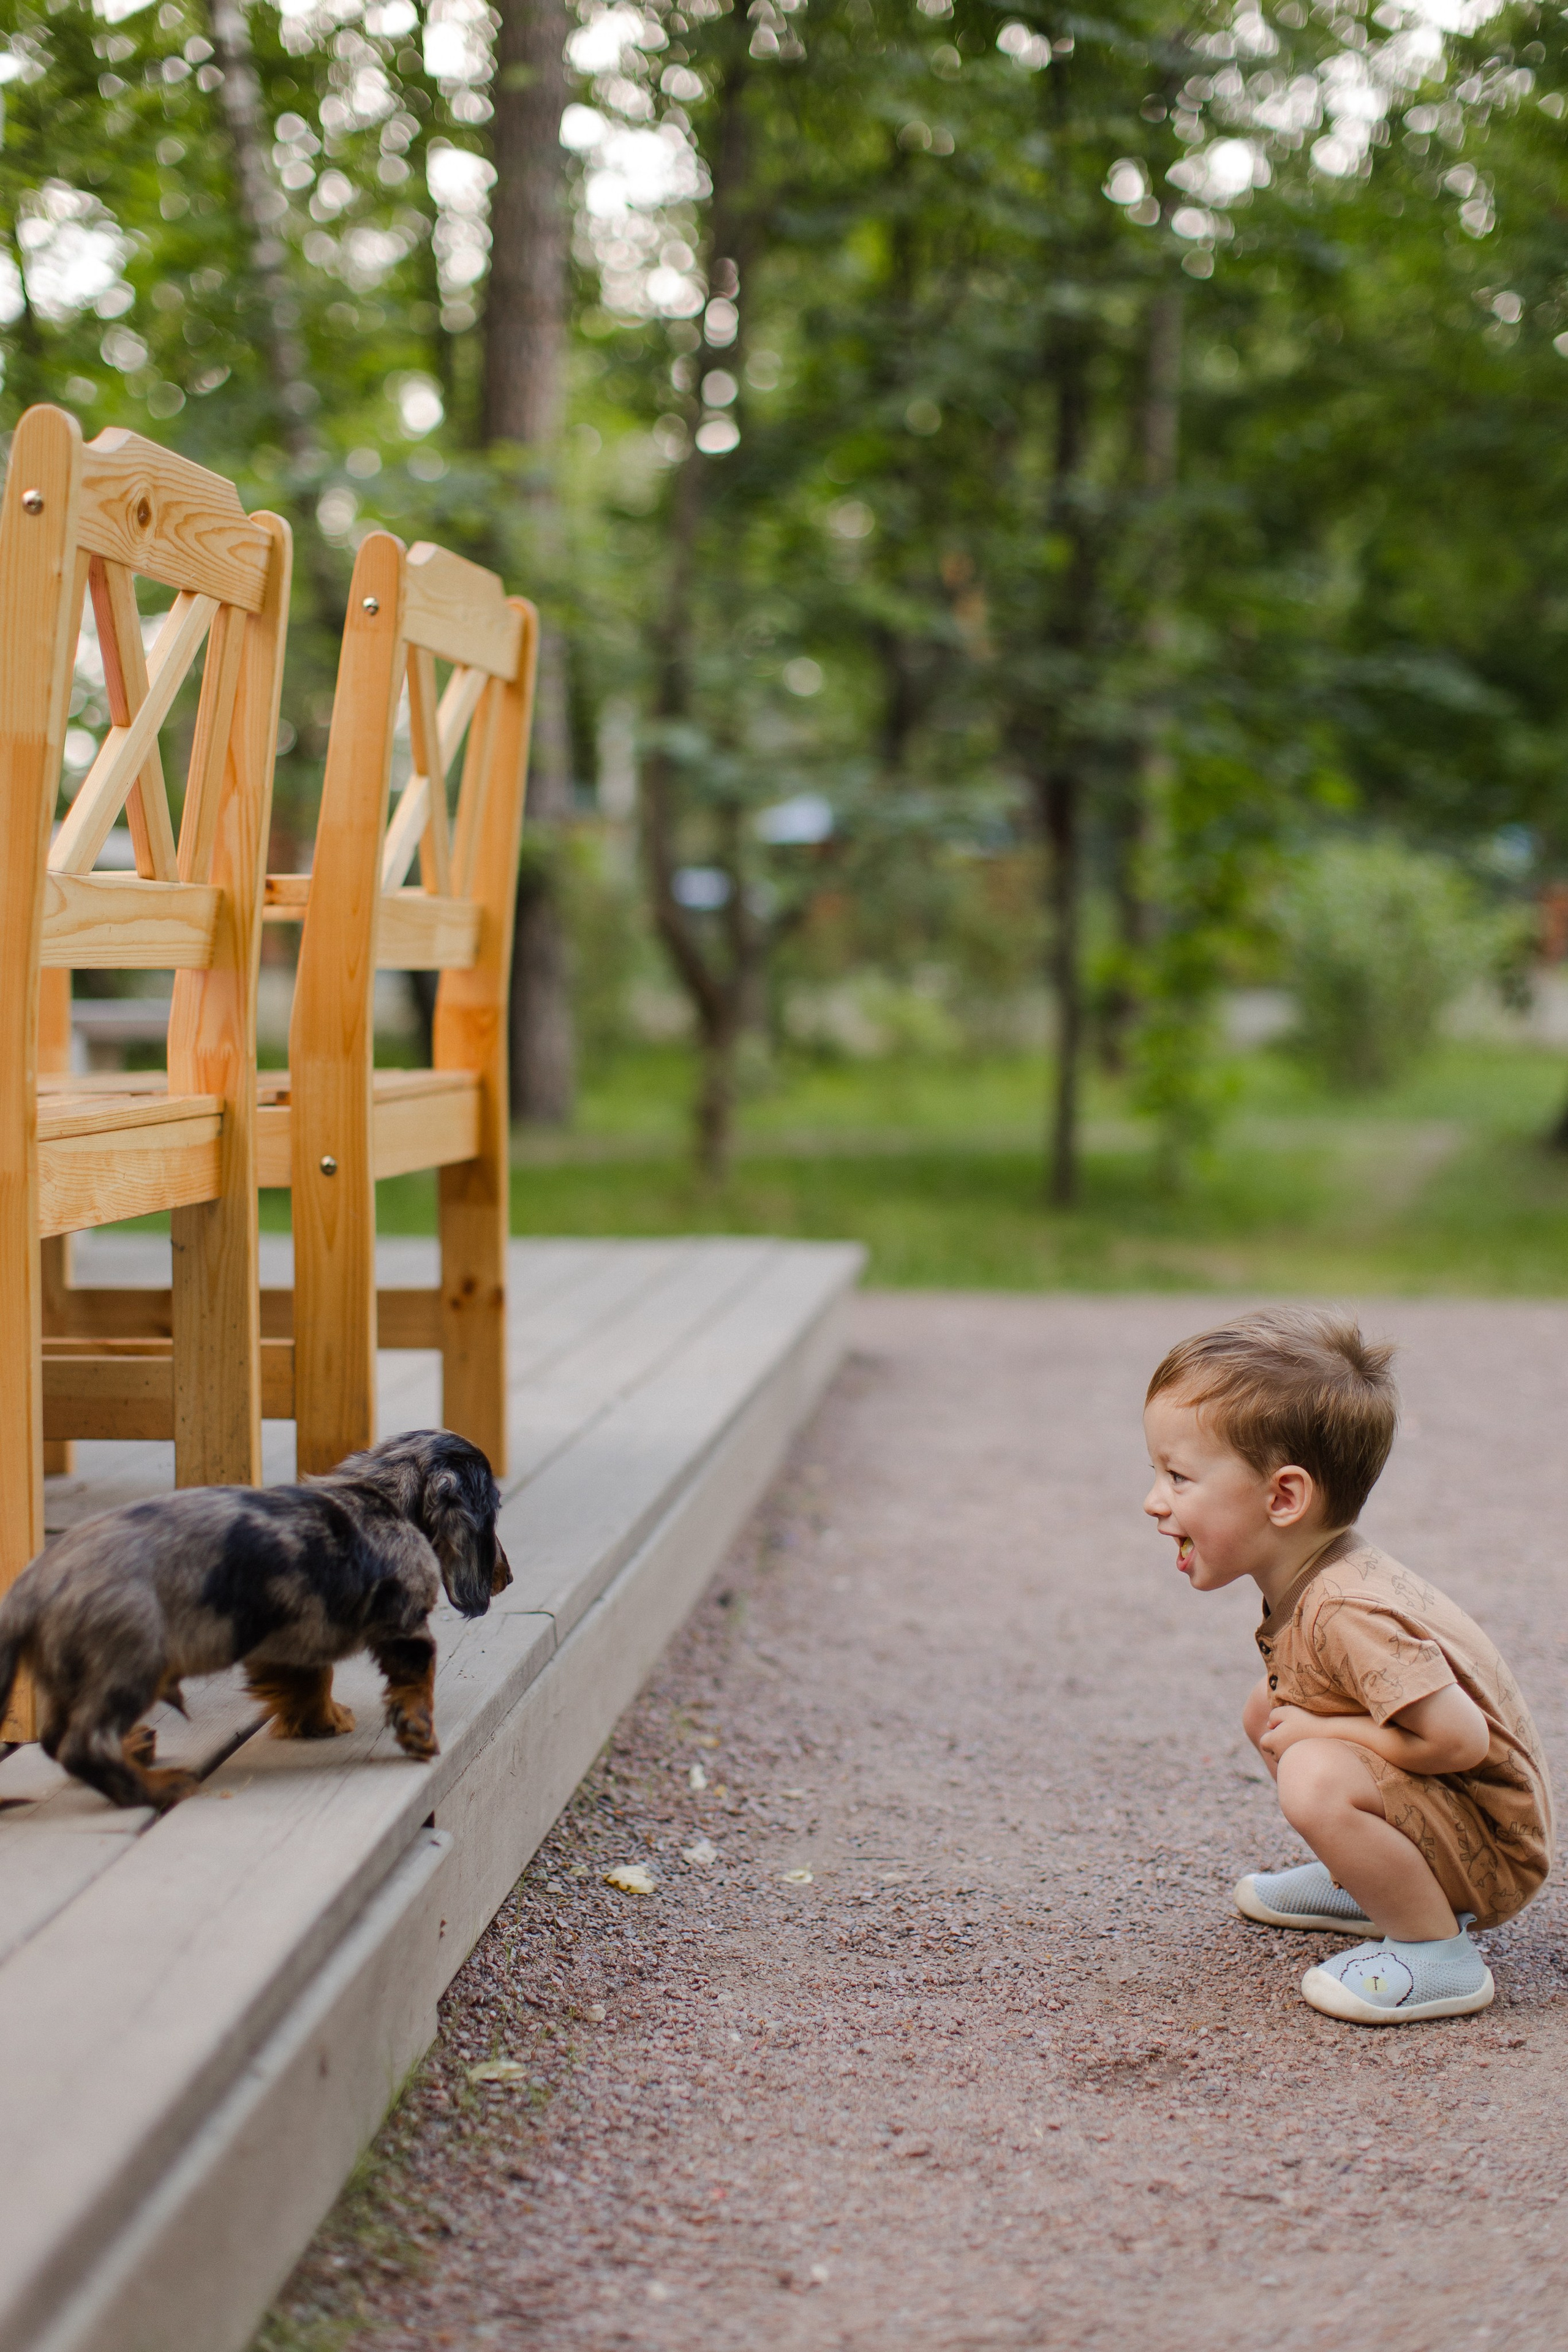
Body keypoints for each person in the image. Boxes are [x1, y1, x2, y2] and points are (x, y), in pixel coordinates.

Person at [1142, 1308, 1553, 2025]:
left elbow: (1460, 1740)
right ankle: (1372, 1883)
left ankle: (1436, 1954)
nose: (1153, 1502)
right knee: (1267, 1710)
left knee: (1310, 1765)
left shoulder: (1344, 1612)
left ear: (1284, 1497)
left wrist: (1318, 1734)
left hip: (1494, 1852)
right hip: (1453, 1816)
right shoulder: (1317, 1579)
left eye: (1178, 1477)